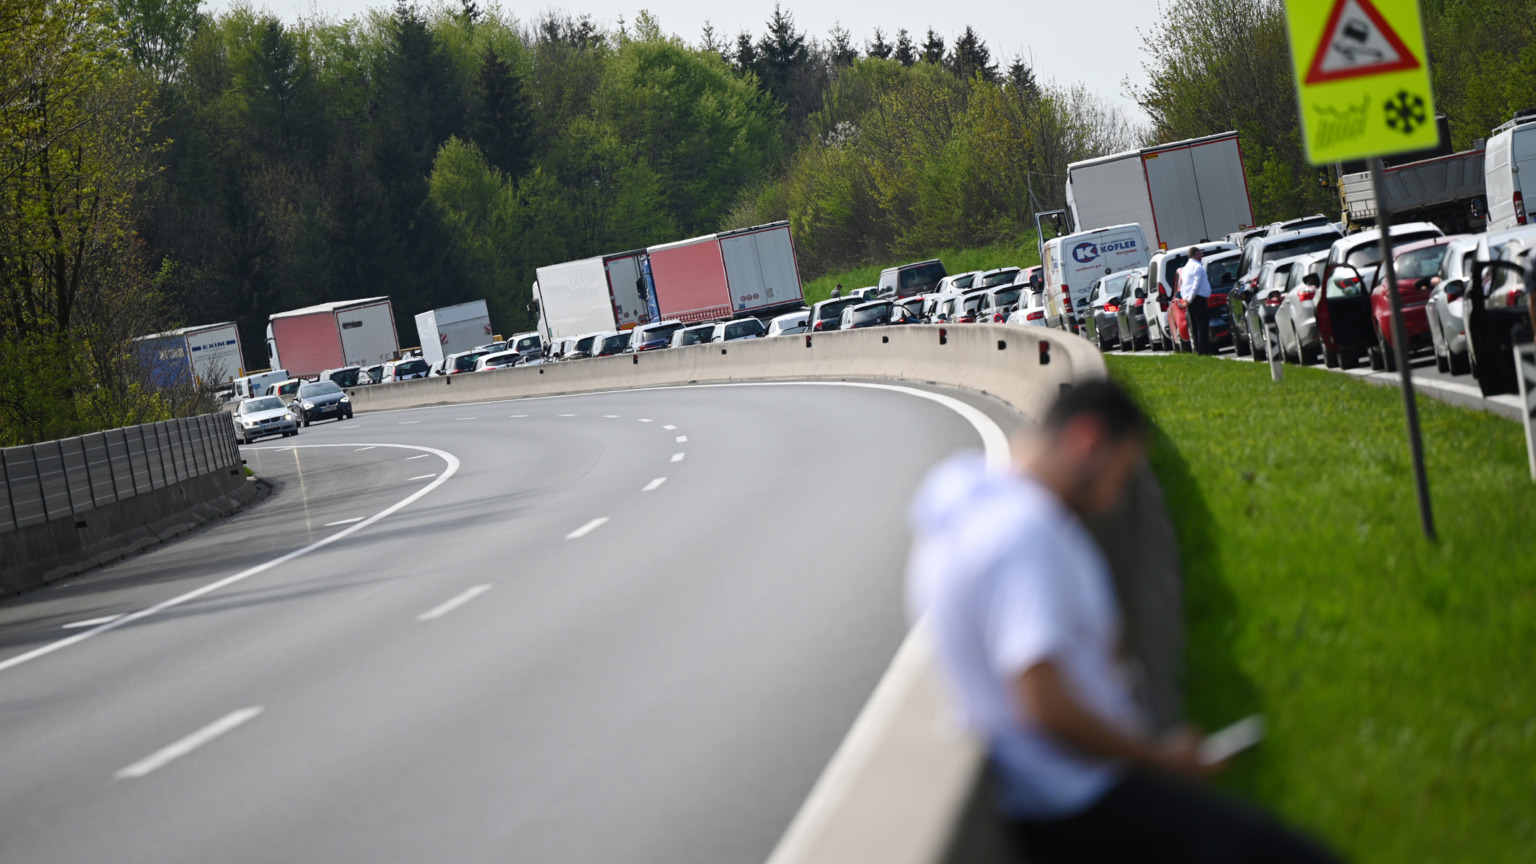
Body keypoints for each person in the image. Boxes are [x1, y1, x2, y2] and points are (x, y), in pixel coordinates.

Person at [906, 381, 1341, 864]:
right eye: (1122, 471)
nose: (1114, 500)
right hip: (1082, 804)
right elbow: (1042, 700)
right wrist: (1159, 757)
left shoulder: (969, 506)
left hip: (1067, 797)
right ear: (1087, 440)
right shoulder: (1024, 534)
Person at [1178, 247, 1213, 355]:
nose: (1201, 256)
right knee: (1202, 326)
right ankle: (1203, 351)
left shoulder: (1186, 268)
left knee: (1195, 326)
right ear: (1196, 253)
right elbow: (1195, 286)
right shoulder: (1198, 267)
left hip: (1191, 299)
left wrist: (1186, 298)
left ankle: (1198, 350)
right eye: (1200, 253)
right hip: (1198, 299)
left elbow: (1183, 286)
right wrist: (1189, 300)